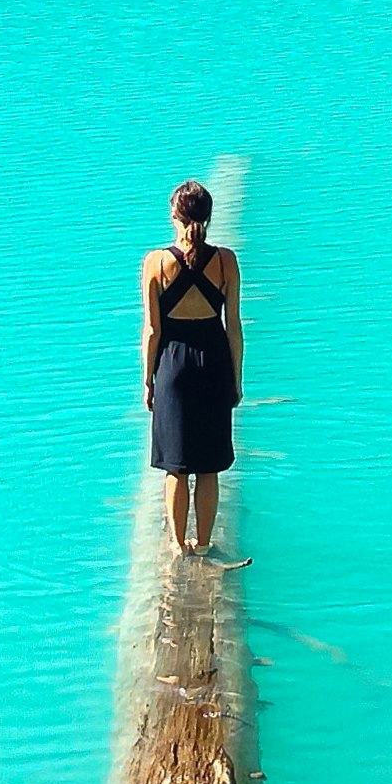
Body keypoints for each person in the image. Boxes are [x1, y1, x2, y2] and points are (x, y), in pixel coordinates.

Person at [142, 178, 243, 559]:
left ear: (173, 215)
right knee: (209, 466)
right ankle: (202, 544)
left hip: (173, 366)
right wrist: (237, 378)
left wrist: (148, 379)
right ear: (209, 216)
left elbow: (153, 330)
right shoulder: (226, 261)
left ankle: (176, 543)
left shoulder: (155, 262)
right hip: (214, 361)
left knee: (176, 466)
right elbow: (233, 326)